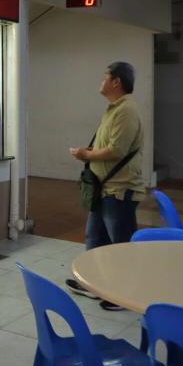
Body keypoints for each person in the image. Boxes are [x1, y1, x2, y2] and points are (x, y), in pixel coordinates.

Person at [65, 61, 145, 312]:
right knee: (95, 236)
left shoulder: (127, 110)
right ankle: (94, 285)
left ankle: (124, 294)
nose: (101, 82)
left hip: (119, 189)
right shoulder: (114, 108)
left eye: (104, 77)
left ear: (116, 82)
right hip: (104, 187)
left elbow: (117, 150)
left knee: (120, 243)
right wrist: (88, 151)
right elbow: (107, 143)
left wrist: (85, 156)